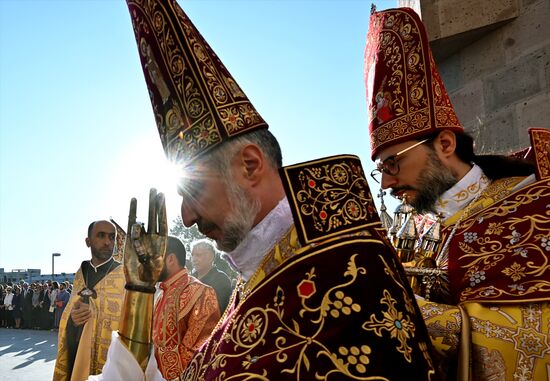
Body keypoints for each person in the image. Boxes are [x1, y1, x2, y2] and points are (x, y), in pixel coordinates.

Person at [90, 1, 440, 380]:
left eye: (194, 191)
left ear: (251, 165)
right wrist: (140, 293)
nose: (187, 218)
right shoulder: (262, 264)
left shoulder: (346, 271)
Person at [364, 7, 550, 380]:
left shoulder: (527, 206)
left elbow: (529, 341)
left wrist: (397, 312)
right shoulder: (413, 225)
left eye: (392, 164)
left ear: (445, 144)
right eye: (380, 169)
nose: (385, 183)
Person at [53, 220, 126, 381]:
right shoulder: (81, 272)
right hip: (78, 348)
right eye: (101, 236)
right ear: (88, 241)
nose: (107, 242)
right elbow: (71, 310)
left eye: (112, 237)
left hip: (109, 357)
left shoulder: (124, 274)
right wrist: (73, 319)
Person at [153, 236, 220, 380]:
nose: (148, 266)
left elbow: (199, 350)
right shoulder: (162, 293)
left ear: (170, 259)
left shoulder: (201, 292)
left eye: (154, 258)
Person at [190, 239, 233, 313]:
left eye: (198, 255)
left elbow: (220, 309)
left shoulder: (221, 279)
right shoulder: (190, 278)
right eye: (192, 255)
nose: (194, 259)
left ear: (210, 257)